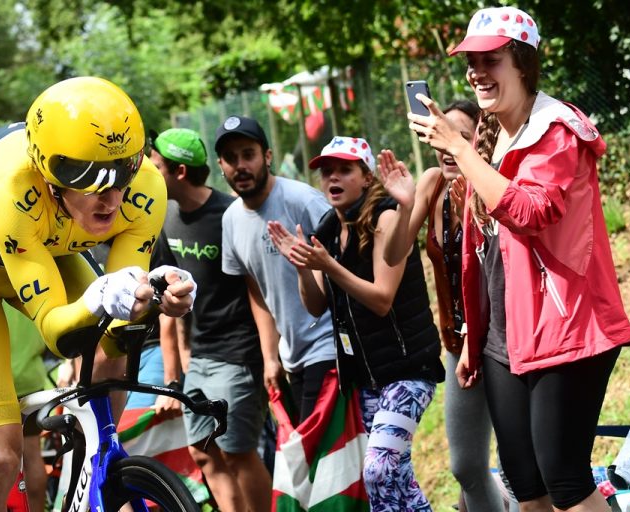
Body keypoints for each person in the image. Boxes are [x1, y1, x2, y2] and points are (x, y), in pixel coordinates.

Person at [407, 6, 630, 511]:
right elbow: (482, 256)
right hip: (502, 340)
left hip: (567, 331)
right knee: (524, 484)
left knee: (567, 484)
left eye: (490, 59)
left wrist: (460, 149)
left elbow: (530, 212)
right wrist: (474, 337)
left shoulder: (556, 131)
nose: (476, 72)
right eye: (471, 61)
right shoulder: (492, 137)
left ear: (524, 64)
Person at [0, 76, 195, 511]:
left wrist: (161, 295)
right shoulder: (11, 190)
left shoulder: (147, 188)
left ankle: (95, 468)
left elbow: (126, 312)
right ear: (50, 176)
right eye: (90, 179)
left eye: (123, 171)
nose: (110, 198)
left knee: (114, 345)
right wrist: (101, 299)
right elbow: (57, 330)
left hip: (47, 249)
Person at [267, 136, 444, 511]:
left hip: (409, 370)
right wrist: (302, 268)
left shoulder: (386, 216)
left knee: (379, 470)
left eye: (344, 169)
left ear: (365, 177)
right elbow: (316, 306)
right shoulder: (329, 228)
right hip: (365, 378)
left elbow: (382, 299)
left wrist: (329, 266)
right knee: (394, 476)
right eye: (326, 171)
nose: (332, 177)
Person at [380, 101, 513, 512]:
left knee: (521, 464)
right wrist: (404, 205)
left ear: (478, 140)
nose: (442, 145)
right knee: (466, 467)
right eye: (435, 133)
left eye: (454, 134)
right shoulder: (433, 183)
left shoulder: (494, 183)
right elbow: (393, 255)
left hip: (506, 343)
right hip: (457, 346)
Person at [148, 127, 271, 512]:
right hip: (199, 359)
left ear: (179, 172)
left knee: (237, 452)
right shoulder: (166, 219)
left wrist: (270, 357)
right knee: (202, 452)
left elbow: (257, 289)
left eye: (155, 167)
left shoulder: (229, 214)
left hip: (239, 355)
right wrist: (172, 379)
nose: (149, 175)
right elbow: (167, 303)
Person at [217, 115, 337, 424]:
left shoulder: (302, 200)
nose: (240, 165)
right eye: (231, 158)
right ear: (221, 165)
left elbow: (345, 258)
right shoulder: (230, 220)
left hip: (329, 346)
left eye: (248, 154)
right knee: (313, 460)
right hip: (290, 355)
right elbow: (256, 291)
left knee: (321, 455)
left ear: (267, 157)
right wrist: (270, 357)